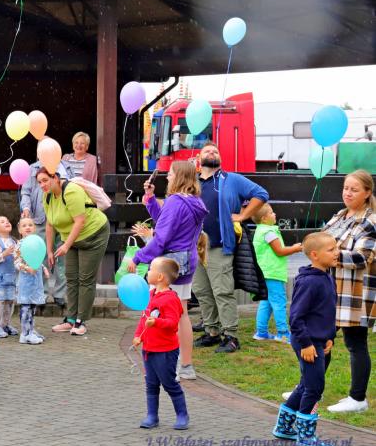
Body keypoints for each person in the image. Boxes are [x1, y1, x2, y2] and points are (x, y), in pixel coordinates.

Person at [126, 161, 208, 381]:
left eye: (170, 174)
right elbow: (167, 223)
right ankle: (186, 366)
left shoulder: (175, 202)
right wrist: (151, 199)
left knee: (163, 313)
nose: (167, 177)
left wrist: (138, 256)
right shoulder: (195, 202)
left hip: (169, 263)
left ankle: (169, 367)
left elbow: (161, 237)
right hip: (187, 261)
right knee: (181, 314)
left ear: (179, 177)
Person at [193, 142, 269, 354]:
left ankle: (231, 336)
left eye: (215, 151)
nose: (212, 153)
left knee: (222, 291)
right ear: (199, 158)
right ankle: (211, 332)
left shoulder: (232, 180)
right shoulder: (192, 181)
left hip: (219, 245)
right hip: (194, 247)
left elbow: (261, 194)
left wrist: (243, 215)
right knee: (202, 291)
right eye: (207, 151)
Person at [272, 232, 339, 446]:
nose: (337, 252)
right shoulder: (309, 282)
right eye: (331, 250)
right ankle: (306, 436)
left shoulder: (327, 276)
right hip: (308, 343)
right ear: (314, 255)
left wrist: (330, 336)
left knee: (306, 384)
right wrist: (306, 344)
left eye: (336, 248)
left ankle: (284, 427)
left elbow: (326, 313)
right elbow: (296, 317)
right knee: (314, 388)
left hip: (321, 341)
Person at [322, 169, 375, 414]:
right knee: (320, 338)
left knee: (355, 343)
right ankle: (310, 387)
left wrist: (328, 256)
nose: (348, 193)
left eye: (354, 189)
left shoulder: (371, 221)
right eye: (346, 188)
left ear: (367, 193)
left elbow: (362, 257)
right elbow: (322, 240)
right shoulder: (339, 215)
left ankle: (357, 398)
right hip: (330, 290)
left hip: (354, 293)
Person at [37, 167, 111, 336]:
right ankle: (71, 319)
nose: (42, 185)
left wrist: (65, 246)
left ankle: (81, 321)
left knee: (85, 279)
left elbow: (80, 221)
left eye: (45, 180)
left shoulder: (71, 191)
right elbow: (49, 224)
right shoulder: (47, 196)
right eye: (39, 182)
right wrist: (49, 250)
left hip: (94, 233)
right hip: (71, 239)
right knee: (71, 277)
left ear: (56, 178)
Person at [132, 257, 189, 431]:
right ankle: (152, 416)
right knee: (151, 384)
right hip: (149, 349)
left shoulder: (170, 299)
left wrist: (156, 322)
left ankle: (182, 415)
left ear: (160, 277)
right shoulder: (150, 295)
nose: (148, 271)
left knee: (169, 383)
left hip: (165, 351)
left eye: (151, 269)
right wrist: (138, 336)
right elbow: (144, 319)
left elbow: (173, 324)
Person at [20, 150, 68, 307]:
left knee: (62, 258)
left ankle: (60, 293)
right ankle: (43, 292)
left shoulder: (65, 167)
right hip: (40, 218)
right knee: (41, 256)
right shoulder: (32, 169)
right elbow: (25, 192)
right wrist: (26, 208)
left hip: (62, 219)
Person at [252, 203, 302, 342]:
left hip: (265, 273)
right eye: (271, 212)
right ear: (264, 218)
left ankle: (261, 332)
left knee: (266, 302)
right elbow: (280, 251)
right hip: (272, 273)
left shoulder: (260, 230)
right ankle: (283, 333)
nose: (274, 214)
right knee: (279, 302)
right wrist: (295, 248)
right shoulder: (269, 233)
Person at [15, 217, 50, 345]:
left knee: (33, 306)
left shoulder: (36, 242)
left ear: (34, 228)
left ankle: (31, 330)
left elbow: (38, 259)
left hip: (36, 281)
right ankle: (25, 334)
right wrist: (26, 268)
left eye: (30, 225)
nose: (28, 227)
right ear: (20, 230)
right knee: (26, 306)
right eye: (24, 225)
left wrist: (44, 269)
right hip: (26, 281)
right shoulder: (20, 244)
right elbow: (17, 262)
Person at [0, 215, 18, 339]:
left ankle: (5, 324)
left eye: (7, 221)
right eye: (2, 222)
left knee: (10, 301)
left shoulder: (14, 242)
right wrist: (4, 254)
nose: (7, 222)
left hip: (11, 276)